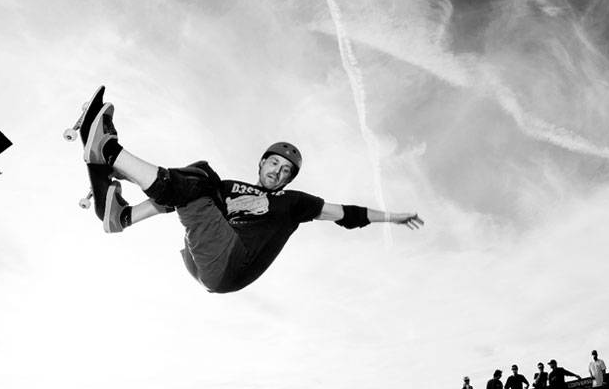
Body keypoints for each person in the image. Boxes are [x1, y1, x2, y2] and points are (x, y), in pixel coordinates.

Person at [78, 97, 424, 293]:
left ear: (289, 179)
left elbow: (348, 214)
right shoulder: (227, 188)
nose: (277, 171)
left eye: (285, 170)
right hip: (205, 260)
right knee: (201, 175)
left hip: (232, 262)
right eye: (273, 163)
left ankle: (110, 152)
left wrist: (393, 216)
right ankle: (123, 215)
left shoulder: (294, 204)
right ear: (261, 163)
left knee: (198, 187)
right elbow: (177, 195)